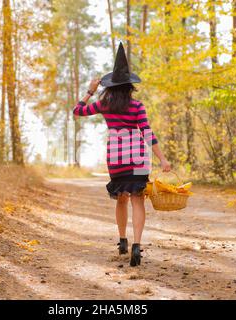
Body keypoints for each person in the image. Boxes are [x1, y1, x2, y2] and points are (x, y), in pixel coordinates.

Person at [72, 43, 171, 267]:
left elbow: (77, 111)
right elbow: (147, 132)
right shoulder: (137, 106)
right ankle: (137, 245)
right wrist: (163, 159)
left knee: (121, 199)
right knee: (138, 199)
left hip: (116, 157)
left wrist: (90, 91)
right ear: (129, 87)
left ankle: (123, 241)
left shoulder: (103, 104)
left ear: (110, 86)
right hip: (137, 158)